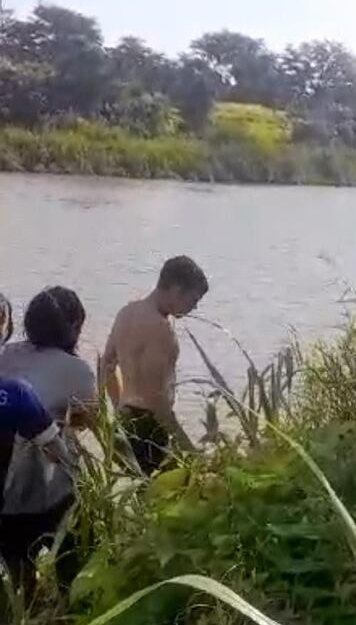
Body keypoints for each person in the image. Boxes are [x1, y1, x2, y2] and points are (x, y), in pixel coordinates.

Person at [0, 286, 95, 597]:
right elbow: (92, 422)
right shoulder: (77, 370)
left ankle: (22, 602)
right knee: (75, 550)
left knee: (17, 570)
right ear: (74, 326)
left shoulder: (7, 353)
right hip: (44, 492)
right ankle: (70, 600)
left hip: (6, 496)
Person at [103, 256, 208, 475]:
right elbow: (156, 399)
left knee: (138, 489)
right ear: (177, 290)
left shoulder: (126, 313)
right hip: (149, 430)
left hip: (124, 422)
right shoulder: (162, 331)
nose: (195, 307)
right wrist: (187, 447)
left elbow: (106, 365)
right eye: (193, 299)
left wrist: (118, 404)